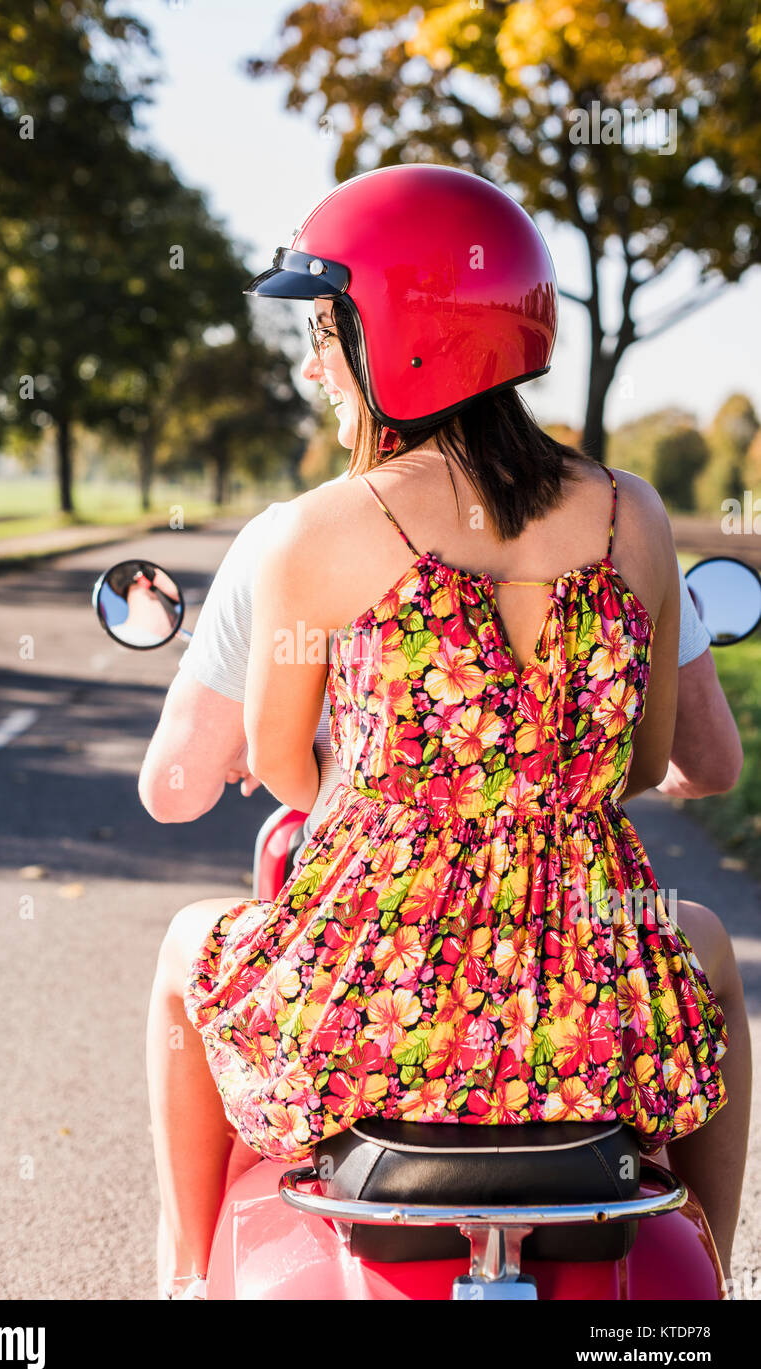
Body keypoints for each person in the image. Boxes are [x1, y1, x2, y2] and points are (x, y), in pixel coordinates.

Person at [144, 166, 743, 1298]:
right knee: (707, 947)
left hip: (372, 1007)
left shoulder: (315, 532)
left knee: (186, 946)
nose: (311, 365)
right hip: (588, 999)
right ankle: (712, 1251)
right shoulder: (635, 515)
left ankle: (179, 1274)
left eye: (325, 331)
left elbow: (280, 765)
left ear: (401, 336)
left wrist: (395, 793)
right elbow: (647, 761)